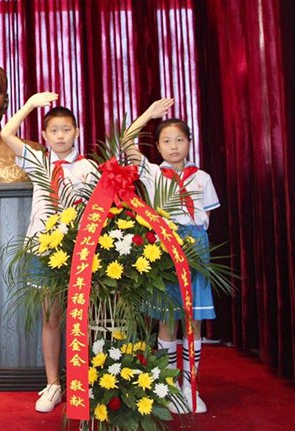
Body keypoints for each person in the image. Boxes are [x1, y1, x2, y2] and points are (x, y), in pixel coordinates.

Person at [1, 92, 99, 413]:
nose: (60, 136)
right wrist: (30, 105)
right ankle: (53, 384)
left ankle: (85, 381)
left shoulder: (88, 167)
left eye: (66, 130)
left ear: (77, 132)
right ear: (44, 135)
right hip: (43, 248)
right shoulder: (38, 160)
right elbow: (6, 134)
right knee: (51, 317)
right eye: (54, 131)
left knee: (83, 316)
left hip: (80, 249)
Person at [127, 116, 220, 414]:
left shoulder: (202, 177)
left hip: (196, 249)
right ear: (157, 146)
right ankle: (169, 386)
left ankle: (191, 387)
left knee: (193, 319)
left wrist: (195, 244)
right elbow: (126, 142)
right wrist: (149, 114)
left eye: (180, 140)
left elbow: (206, 219)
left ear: (189, 142)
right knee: (168, 318)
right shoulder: (153, 174)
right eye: (166, 141)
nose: (174, 146)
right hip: (166, 248)